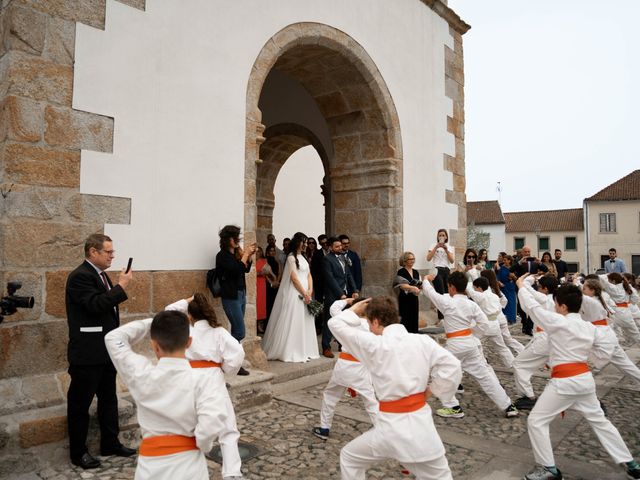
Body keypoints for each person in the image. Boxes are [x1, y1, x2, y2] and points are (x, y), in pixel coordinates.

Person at [516, 277, 640, 480]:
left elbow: (532, 308)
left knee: (537, 421)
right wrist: (591, 360)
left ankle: (548, 470)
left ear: (562, 306)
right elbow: (606, 347)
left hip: (564, 383)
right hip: (584, 379)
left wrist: (521, 287)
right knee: (600, 421)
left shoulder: (557, 321)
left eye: (556, 303)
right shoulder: (589, 327)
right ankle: (631, 464)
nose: (554, 306)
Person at [328, 297, 462, 480]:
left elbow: (335, 323)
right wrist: (432, 391)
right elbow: (452, 366)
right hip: (421, 426)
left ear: (375, 321)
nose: (368, 327)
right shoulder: (423, 341)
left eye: (368, 322)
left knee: (350, 458)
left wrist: (354, 309)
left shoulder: (374, 344)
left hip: (391, 429)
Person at [105, 309, 228, 480]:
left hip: (150, 468)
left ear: (154, 345)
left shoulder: (141, 374)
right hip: (190, 467)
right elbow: (212, 422)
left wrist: (152, 323)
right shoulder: (202, 380)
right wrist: (203, 445)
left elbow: (113, 338)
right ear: (189, 342)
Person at [64, 233, 135, 469]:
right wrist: (122, 286)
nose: (112, 255)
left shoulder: (101, 276)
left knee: (108, 399)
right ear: (93, 252)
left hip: (106, 352)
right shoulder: (80, 277)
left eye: (112, 252)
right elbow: (95, 306)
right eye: (108, 252)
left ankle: (110, 442)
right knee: (79, 404)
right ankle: (78, 452)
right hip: (87, 353)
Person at [165, 294, 246, 480]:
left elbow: (168, 311)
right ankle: (232, 473)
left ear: (190, 316)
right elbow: (237, 352)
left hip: (189, 380)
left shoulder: (184, 330)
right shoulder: (219, 332)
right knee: (227, 427)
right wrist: (226, 369)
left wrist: (186, 300)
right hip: (212, 379)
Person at [422, 271, 518, 419]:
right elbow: (484, 323)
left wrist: (426, 279)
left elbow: (429, 292)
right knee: (485, 376)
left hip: (455, 345)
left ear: (452, 287)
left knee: (438, 372)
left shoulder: (447, 302)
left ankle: (452, 406)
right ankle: (508, 405)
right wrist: (474, 335)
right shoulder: (471, 304)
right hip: (470, 343)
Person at [312, 298, 378, 441]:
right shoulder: (371, 326)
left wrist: (348, 301)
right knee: (370, 401)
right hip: (361, 367)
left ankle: (324, 428)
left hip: (344, 365)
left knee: (330, 396)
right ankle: (382, 430)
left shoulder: (344, 321)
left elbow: (333, 309)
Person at [262, 232, 320, 362]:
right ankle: (293, 350)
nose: (305, 244)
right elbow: (294, 277)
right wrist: (304, 293)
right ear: (297, 242)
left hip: (306, 292)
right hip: (296, 293)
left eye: (306, 242)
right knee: (295, 320)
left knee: (306, 320)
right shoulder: (291, 258)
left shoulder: (303, 257)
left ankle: (306, 349)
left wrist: (310, 290)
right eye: (303, 242)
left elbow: (308, 275)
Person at [512, 275, 558, 411]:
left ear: (545, 289)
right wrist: (530, 278)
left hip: (543, 339)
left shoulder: (544, 299)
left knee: (519, 364)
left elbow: (528, 299)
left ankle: (528, 396)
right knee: (557, 368)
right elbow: (530, 291)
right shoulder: (554, 298)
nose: (537, 288)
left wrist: (521, 284)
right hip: (551, 339)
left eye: (539, 286)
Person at [216, 225, 255, 375]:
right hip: (230, 297)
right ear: (228, 239)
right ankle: (227, 359)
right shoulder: (222, 256)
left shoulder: (235, 255)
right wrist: (245, 256)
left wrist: (248, 256)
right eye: (235, 237)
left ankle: (233, 363)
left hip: (240, 295)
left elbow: (245, 269)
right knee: (239, 331)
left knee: (236, 329)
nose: (238, 240)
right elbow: (235, 269)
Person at [465, 276, 515, 368]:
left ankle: (481, 363)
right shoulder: (495, 296)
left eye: (475, 288)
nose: (474, 290)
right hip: (495, 324)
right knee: (501, 347)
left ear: (479, 288)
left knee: (474, 342)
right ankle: (512, 363)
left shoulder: (481, 296)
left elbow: (469, 290)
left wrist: (466, 279)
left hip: (484, 325)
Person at [322, 236, 358, 358]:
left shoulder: (343, 257)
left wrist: (354, 290)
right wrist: (340, 294)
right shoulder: (327, 259)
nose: (340, 248)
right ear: (331, 247)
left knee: (344, 320)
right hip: (333, 294)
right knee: (329, 319)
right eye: (337, 246)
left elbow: (348, 275)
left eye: (340, 246)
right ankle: (326, 347)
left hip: (345, 293)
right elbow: (329, 278)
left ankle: (341, 344)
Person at [480, 269, 524, 355]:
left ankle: (480, 358)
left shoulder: (486, 290)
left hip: (493, 319)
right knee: (508, 339)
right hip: (501, 317)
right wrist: (499, 308)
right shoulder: (496, 288)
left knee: (478, 339)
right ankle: (523, 351)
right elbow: (504, 300)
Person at [513, 245, 548, 336]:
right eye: (526, 252)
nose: (528, 253)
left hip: (532, 286)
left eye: (529, 252)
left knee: (533, 305)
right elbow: (511, 269)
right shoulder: (519, 262)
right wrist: (520, 263)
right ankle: (524, 324)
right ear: (522, 253)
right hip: (521, 286)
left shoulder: (535, 262)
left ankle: (529, 327)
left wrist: (540, 263)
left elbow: (546, 269)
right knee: (521, 306)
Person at [598, 272, 640, 343]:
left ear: (613, 281)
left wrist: (608, 273)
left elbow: (599, 277)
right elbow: (635, 300)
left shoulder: (612, 287)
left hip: (615, 313)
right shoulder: (627, 287)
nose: (608, 282)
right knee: (635, 334)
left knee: (611, 332)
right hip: (626, 312)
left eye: (609, 280)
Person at [426, 229, 454, 320]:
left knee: (447, 293)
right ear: (437, 237)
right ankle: (441, 318)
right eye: (440, 235)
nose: (441, 237)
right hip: (437, 270)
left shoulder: (449, 247)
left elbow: (452, 261)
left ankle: (447, 316)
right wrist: (436, 247)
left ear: (446, 237)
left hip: (447, 270)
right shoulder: (433, 245)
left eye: (443, 235)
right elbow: (428, 258)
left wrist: (446, 250)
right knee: (440, 292)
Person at [394, 251, 421, 333]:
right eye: (410, 259)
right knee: (405, 318)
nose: (412, 261)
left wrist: (418, 289)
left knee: (414, 318)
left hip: (414, 298)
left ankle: (414, 335)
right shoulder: (401, 272)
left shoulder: (416, 272)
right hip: (404, 299)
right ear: (405, 261)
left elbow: (419, 284)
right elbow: (401, 285)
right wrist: (412, 288)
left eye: (413, 259)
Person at [496, 253, 517, 324]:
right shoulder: (501, 268)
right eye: (503, 260)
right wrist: (499, 283)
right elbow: (498, 278)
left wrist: (513, 277)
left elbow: (516, 278)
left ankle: (512, 318)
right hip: (504, 287)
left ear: (509, 261)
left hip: (511, 286)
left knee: (512, 303)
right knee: (505, 302)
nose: (504, 261)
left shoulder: (513, 268)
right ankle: (506, 318)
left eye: (505, 260)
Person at [255, 247, 271, 334]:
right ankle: (254, 325)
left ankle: (260, 325)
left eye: (259, 252)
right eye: (256, 251)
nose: (258, 253)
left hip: (262, 284)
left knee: (261, 304)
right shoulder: (251, 261)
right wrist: (258, 273)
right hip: (254, 283)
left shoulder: (264, 261)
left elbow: (268, 272)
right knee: (256, 304)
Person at [264, 245, 281, 326]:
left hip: (276, 285)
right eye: (271, 251)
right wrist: (272, 282)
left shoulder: (277, 261)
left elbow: (280, 272)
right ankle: (267, 324)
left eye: (274, 251)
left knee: (275, 304)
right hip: (268, 285)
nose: (273, 252)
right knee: (268, 304)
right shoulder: (265, 261)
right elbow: (265, 274)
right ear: (267, 253)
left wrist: (277, 281)